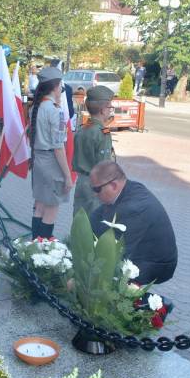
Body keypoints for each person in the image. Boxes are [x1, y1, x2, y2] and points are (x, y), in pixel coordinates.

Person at [88, 160, 178, 284]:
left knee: (109, 270)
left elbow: (114, 251)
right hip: (143, 251)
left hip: (157, 265)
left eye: (97, 189)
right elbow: (95, 218)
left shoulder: (133, 208)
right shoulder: (128, 188)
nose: (94, 194)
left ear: (113, 185)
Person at [29, 66, 73, 239]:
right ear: (56, 86)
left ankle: (34, 244)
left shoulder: (36, 107)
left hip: (39, 160)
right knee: (52, 208)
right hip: (51, 162)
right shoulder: (55, 110)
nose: (61, 88)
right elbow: (58, 147)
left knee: (39, 206)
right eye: (61, 84)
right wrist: (68, 176)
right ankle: (44, 246)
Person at [72, 85, 114, 216]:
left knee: (80, 219)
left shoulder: (82, 128)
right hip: (97, 185)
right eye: (109, 107)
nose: (110, 111)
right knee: (95, 221)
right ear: (103, 110)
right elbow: (104, 165)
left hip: (81, 181)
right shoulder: (103, 132)